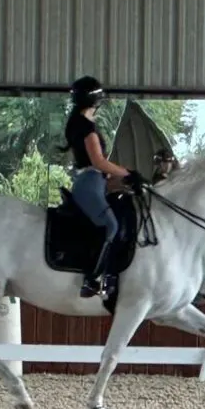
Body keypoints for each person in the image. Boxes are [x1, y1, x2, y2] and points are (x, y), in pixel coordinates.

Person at [62, 76, 144, 297]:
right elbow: (98, 162)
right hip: (89, 183)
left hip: (95, 182)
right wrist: (128, 172)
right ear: (96, 101)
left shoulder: (79, 124)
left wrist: (121, 182)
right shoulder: (87, 128)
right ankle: (92, 278)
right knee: (111, 226)